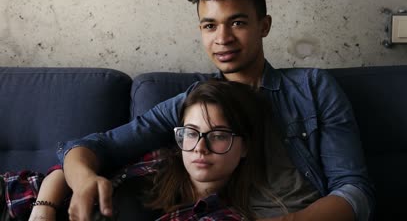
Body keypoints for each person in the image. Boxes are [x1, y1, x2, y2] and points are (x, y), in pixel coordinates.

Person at [57, 0, 375, 220]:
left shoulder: (312, 87)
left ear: (263, 25)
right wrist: (84, 179)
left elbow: (354, 191)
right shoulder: (195, 104)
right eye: (210, 25)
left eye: (237, 22)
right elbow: (91, 146)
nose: (222, 38)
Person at [17, 80, 281, 220]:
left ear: (244, 146)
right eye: (191, 133)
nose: (200, 148)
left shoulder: (223, 216)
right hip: (20, 197)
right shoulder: (157, 160)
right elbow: (63, 168)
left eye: (218, 135)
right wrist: (43, 211)